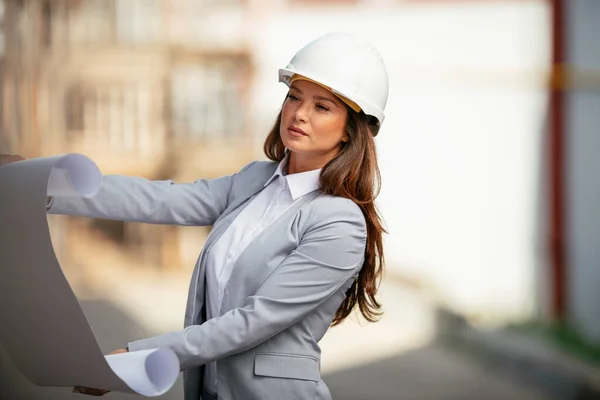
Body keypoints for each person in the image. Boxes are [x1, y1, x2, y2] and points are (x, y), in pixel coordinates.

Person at [0, 32, 389, 400]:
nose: (299, 113)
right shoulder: (254, 179)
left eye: (321, 107)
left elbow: (250, 323)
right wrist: (42, 183)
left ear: (351, 130)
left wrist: (139, 355)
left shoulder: (338, 223)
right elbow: (160, 200)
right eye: (294, 96)